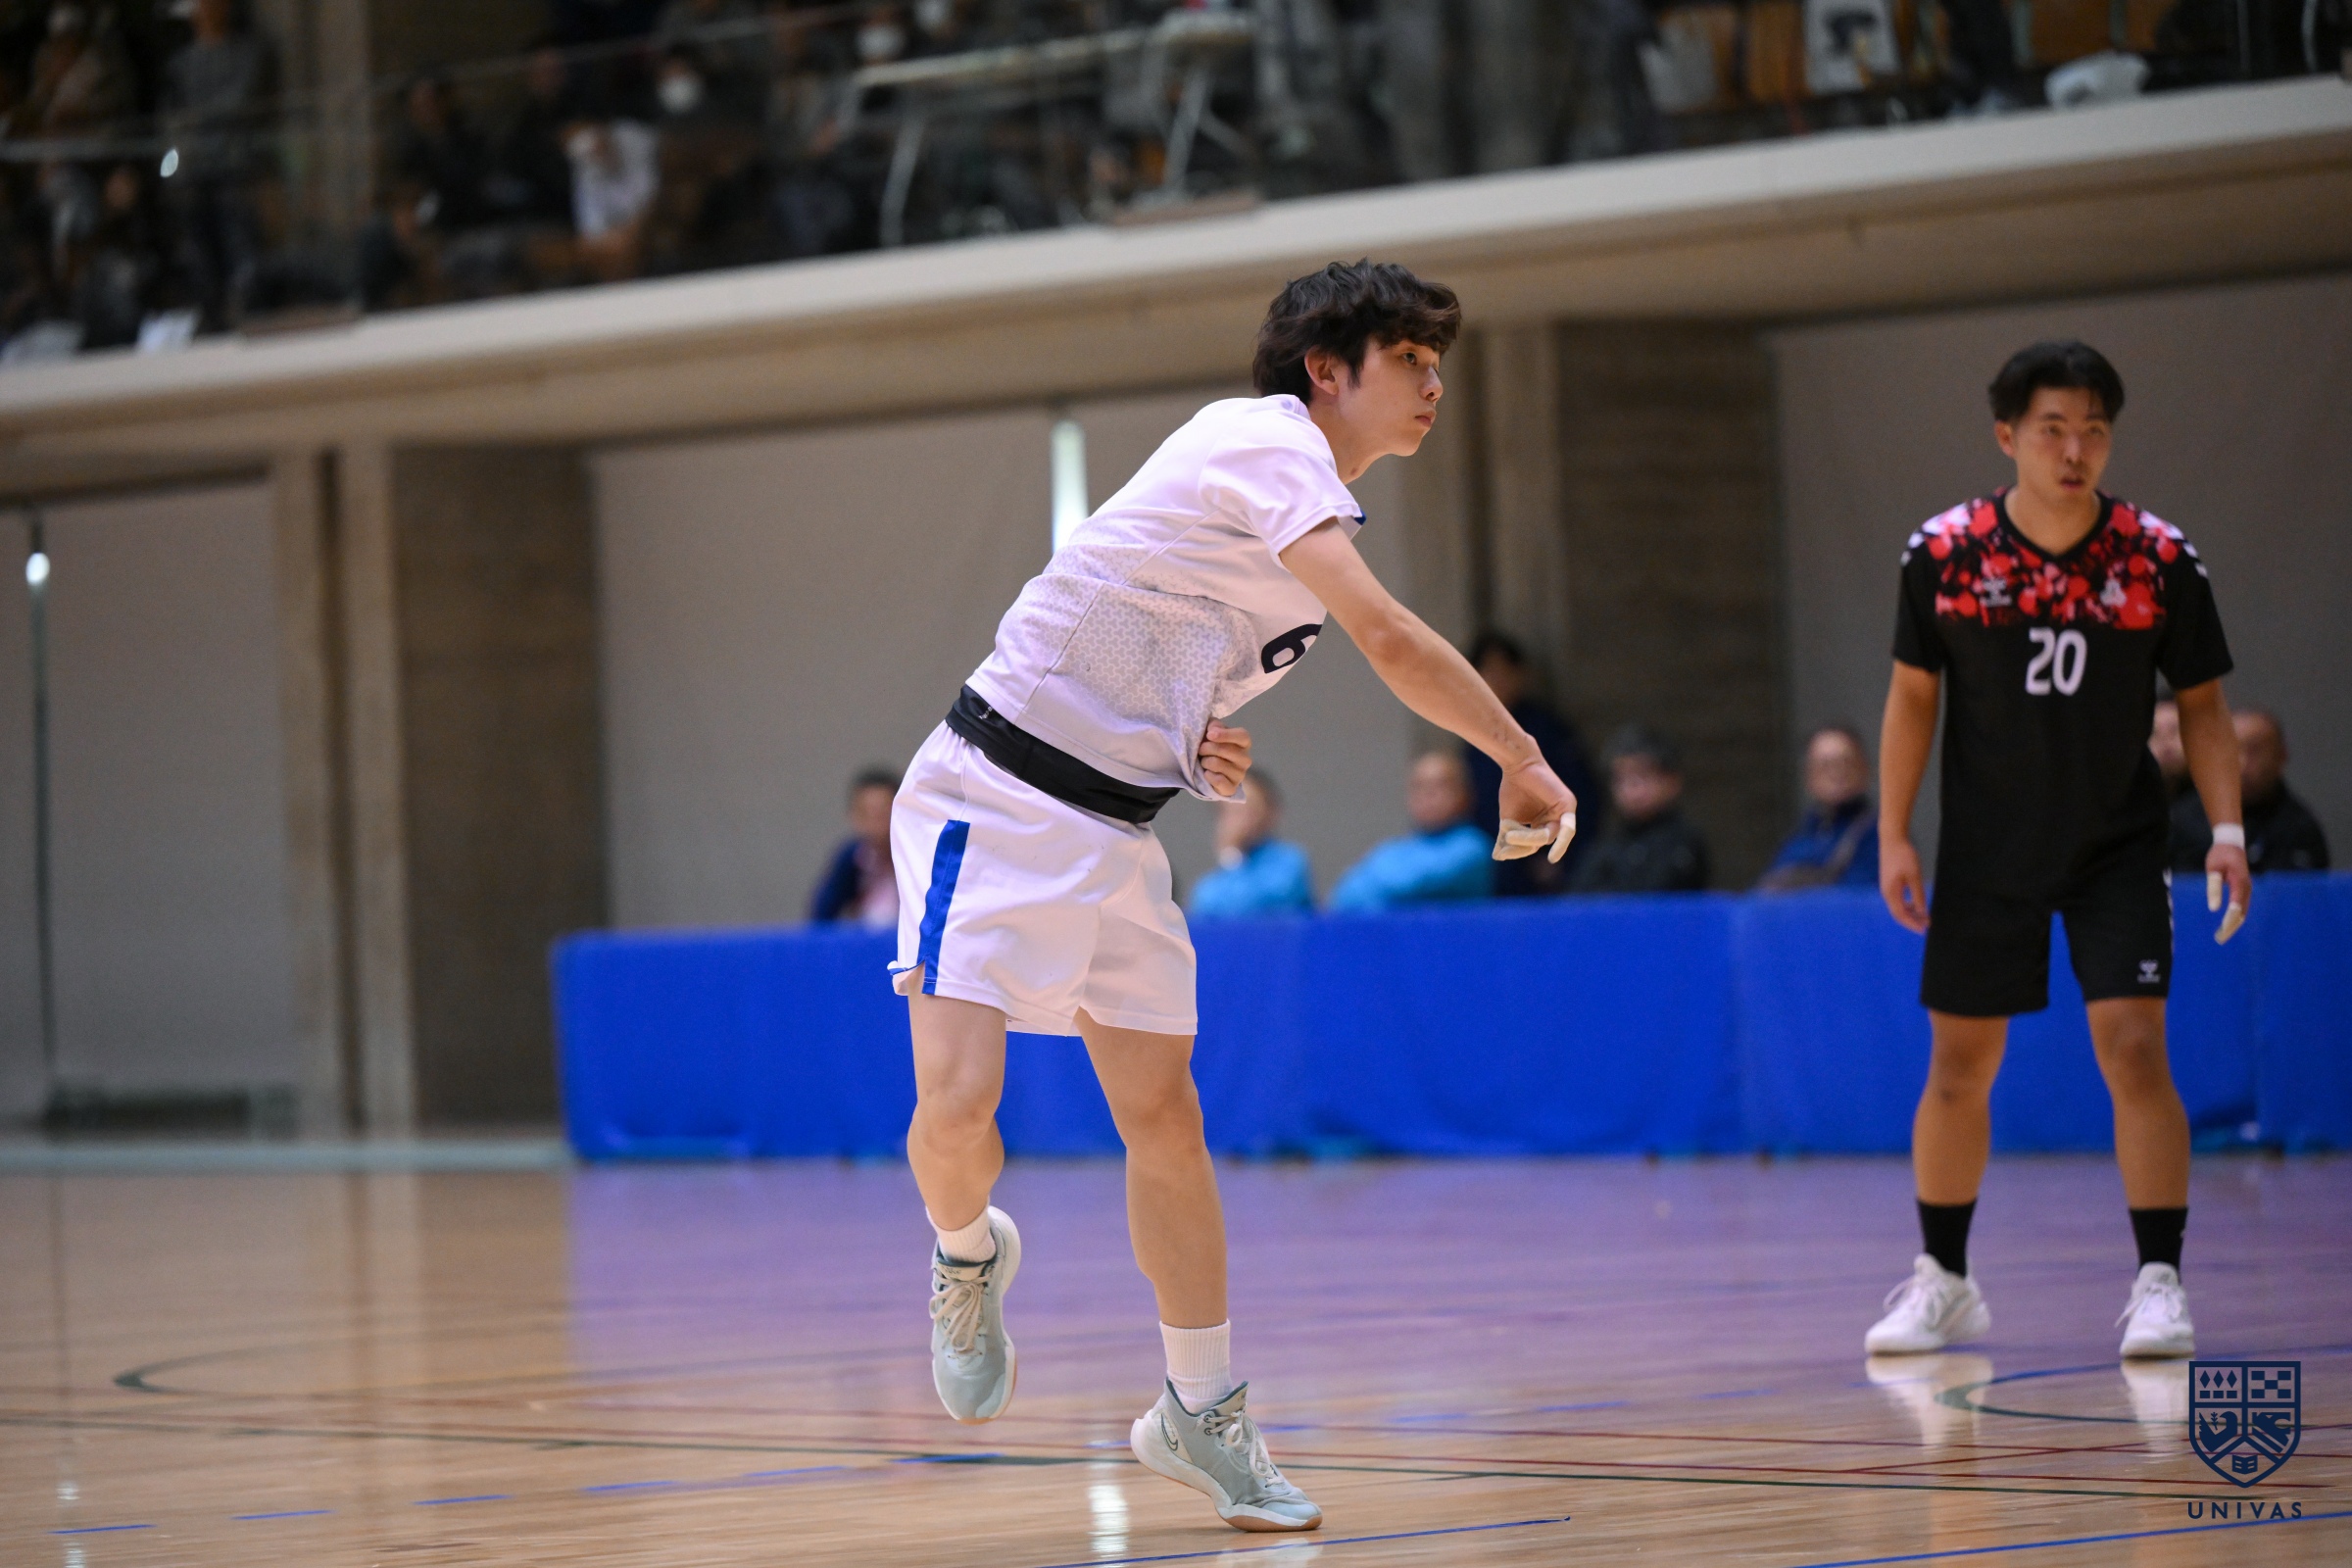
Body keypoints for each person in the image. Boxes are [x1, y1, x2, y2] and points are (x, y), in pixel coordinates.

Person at [886, 261, 1576, 1533]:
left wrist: (1198, 746)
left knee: (1167, 1117)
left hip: (1118, 830)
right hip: (992, 795)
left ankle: (1198, 1411)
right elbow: (1390, 639)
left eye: (1439, 364)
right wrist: (1519, 753)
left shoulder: (1305, 515)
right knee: (959, 1108)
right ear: (1328, 371)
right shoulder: (1262, 441)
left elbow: (1160, 659)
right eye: (1409, 360)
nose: (1434, 385)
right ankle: (966, 1248)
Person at [1868, 341, 2248, 1365]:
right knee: (1959, 1063)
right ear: (2007, 436)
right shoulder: (1944, 554)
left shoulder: (2157, 558)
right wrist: (1894, 830)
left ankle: (2160, 1282)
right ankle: (1945, 1280)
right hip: (1987, 851)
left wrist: (2226, 831)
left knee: (2134, 1048)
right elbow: (1912, 697)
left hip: (2116, 846)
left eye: (2094, 431)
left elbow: (2204, 705)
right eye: (2052, 430)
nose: (2075, 450)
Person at [1461, 628, 1597, 892]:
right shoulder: (1472, 735)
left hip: (1540, 865)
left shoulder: (1548, 731)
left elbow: (1582, 796)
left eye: (1501, 671)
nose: (1495, 680)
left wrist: (1562, 858)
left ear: (1520, 674)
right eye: (1486, 672)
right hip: (1490, 862)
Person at [1327, 751, 1493, 911]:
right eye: (1419, 786)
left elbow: (1407, 884)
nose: (1428, 795)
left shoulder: (1472, 847)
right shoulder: (1394, 849)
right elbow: (1345, 895)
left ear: (1464, 794)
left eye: (1440, 786)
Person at [2171, 708, 2329, 874]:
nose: (2242, 764)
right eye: (2232, 750)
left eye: (2255, 751)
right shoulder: (2183, 821)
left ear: (2281, 755)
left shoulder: (2300, 828)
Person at [1569, 724, 1709, 894]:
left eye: (1642, 776)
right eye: (1621, 779)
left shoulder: (1683, 845)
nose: (1631, 790)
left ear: (1672, 781)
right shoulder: (1605, 847)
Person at [1756, 722, 1880, 892]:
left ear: (1865, 769)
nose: (1836, 773)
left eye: (1845, 763)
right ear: (1809, 776)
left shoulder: (1879, 833)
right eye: (1825, 765)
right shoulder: (1802, 833)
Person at [1187, 771, 1315, 919]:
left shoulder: (1290, 862)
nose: (1240, 819)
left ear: (1270, 812)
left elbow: (1250, 904)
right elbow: (1205, 907)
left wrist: (1232, 859)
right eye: (1231, 810)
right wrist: (1230, 856)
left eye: (1249, 809)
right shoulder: (1208, 887)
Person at [809, 767, 902, 928]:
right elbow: (821, 918)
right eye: (866, 814)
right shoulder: (850, 859)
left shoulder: (919, 857)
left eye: (882, 813)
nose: (875, 824)